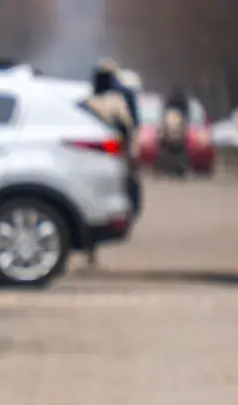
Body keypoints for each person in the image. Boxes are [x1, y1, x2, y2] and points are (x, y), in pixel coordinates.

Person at [83, 64, 140, 263]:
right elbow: (128, 127)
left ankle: (91, 249)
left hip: (90, 160)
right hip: (114, 157)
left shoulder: (88, 103)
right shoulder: (117, 102)